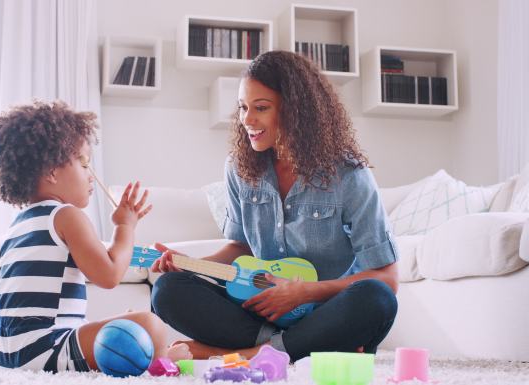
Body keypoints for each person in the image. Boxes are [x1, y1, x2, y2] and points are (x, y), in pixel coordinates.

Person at [150, 51, 399, 361]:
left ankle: (245, 353)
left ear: (296, 111)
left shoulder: (348, 175)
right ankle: (298, 348)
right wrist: (193, 265)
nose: (247, 120)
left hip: (326, 312)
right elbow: (241, 248)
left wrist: (304, 293)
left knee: (377, 300)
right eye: (242, 107)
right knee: (168, 290)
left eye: (261, 108)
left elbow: (387, 277)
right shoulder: (239, 169)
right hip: (260, 313)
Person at [0, 101, 189, 373]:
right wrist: (125, 226)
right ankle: (162, 362)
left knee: (124, 328)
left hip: (3, 354)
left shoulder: (16, 227)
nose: (91, 175)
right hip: (45, 351)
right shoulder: (67, 215)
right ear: (52, 172)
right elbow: (110, 275)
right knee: (150, 326)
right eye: (83, 163)